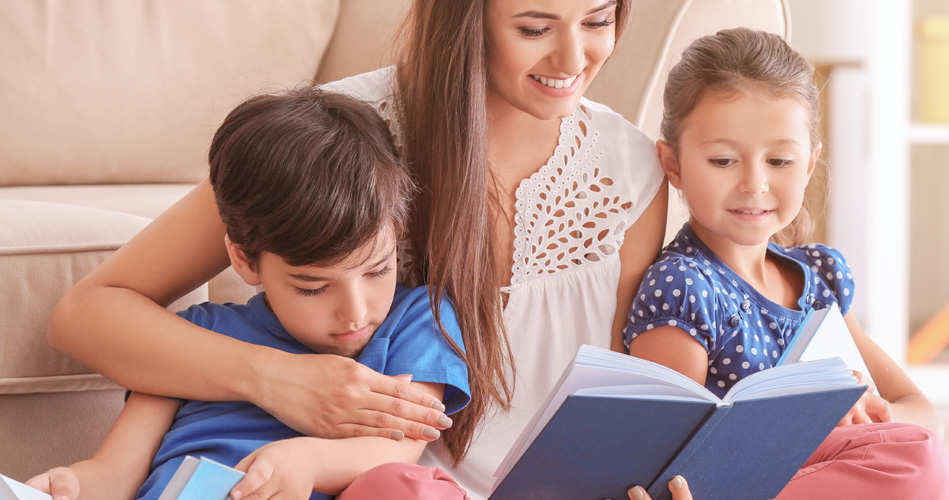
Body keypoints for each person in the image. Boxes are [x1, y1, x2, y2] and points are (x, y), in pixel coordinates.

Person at [47, 1, 686, 499]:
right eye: (534, 26)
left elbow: (627, 390)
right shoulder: (333, 139)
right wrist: (278, 380)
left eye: (599, 19)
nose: (574, 55)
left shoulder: (628, 167)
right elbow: (89, 314)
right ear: (466, 22)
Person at [28, 88, 472, 500]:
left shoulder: (417, 318)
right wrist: (74, 484)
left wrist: (308, 461)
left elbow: (399, 446)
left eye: (378, 271)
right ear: (244, 260)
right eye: (312, 287)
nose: (355, 312)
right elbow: (114, 473)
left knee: (413, 488)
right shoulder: (195, 336)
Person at [624, 27, 949, 499]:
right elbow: (670, 461)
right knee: (916, 467)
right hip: (735, 485)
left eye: (779, 161)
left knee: (920, 458)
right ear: (672, 164)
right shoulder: (683, 286)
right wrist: (810, 420)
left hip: (831, 470)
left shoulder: (817, 279)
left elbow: (922, 412)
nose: (754, 183)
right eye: (722, 160)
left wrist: (867, 413)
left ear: (810, 163)